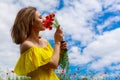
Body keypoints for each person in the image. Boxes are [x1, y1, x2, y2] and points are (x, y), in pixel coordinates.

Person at [11, 6, 67, 80]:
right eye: (40, 18)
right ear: (31, 22)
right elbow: (53, 64)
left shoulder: (45, 42)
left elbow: (53, 64)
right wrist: (57, 42)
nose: (44, 19)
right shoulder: (27, 45)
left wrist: (61, 51)